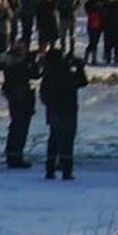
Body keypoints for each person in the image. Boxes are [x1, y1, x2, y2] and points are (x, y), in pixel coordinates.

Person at [40, 47, 85, 181]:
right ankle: (66, 170)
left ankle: (50, 169)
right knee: (67, 141)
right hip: (68, 111)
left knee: (53, 140)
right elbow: (82, 82)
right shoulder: (65, 73)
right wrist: (80, 67)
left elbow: (44, 95)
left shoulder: (48, 73)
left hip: (53, 111)